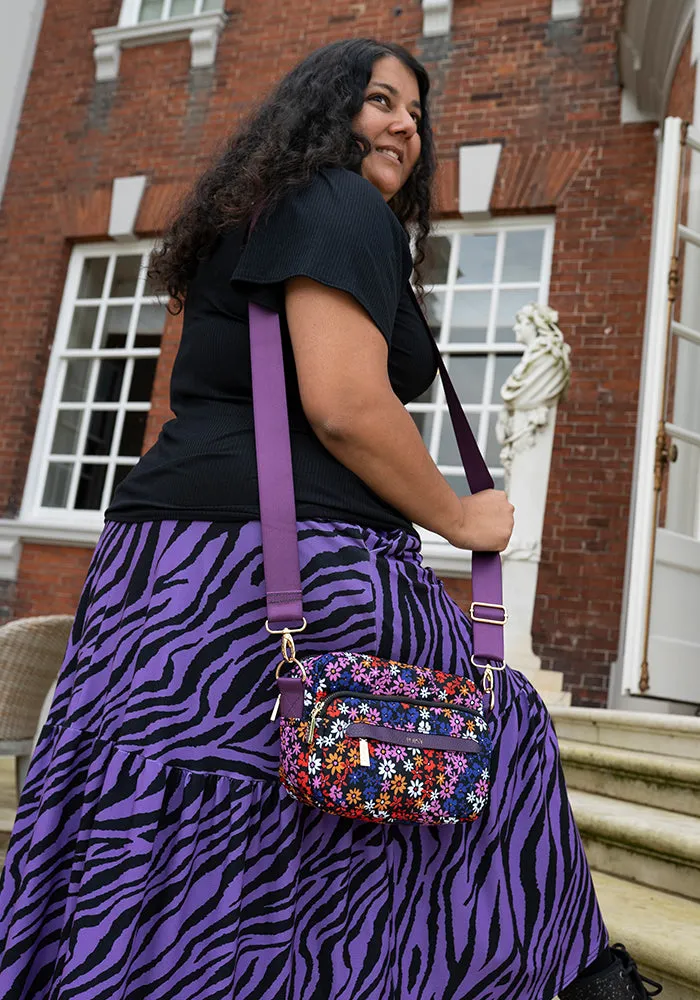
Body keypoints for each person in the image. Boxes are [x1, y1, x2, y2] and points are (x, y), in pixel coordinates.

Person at [0, 38, 661, 1000]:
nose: (405, 124)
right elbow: (346, 405)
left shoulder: (265, 211)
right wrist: (462, 517)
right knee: (489, 738)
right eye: (380, 100)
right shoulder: (340, 201)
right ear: (322, 111)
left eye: (417, 114)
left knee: (208, 800)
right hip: (283, 563)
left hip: (167, 571)